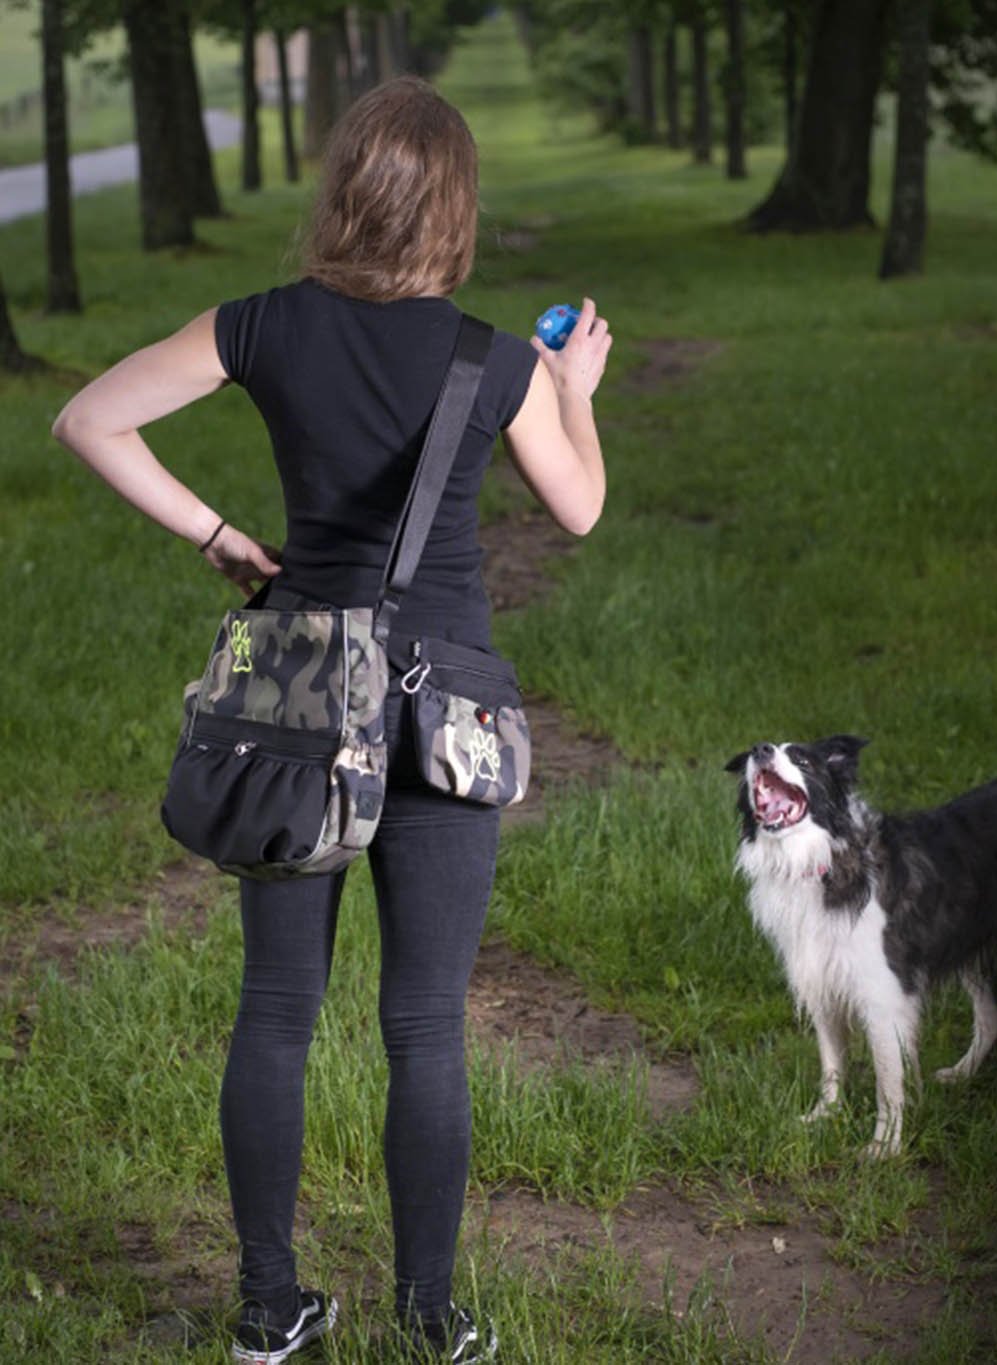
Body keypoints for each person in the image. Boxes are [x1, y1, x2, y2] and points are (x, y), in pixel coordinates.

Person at [53, 76, 611, 1364]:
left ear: (344, 191)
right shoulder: (495, 358)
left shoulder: (265, 326)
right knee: (422, 1023)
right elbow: (579, 508)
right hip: (443, 714)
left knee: (275, 1009)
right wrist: (575, 386)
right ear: (457, 208)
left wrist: (216, 534)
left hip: (299, 703)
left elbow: (93, 418)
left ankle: (266, 1309)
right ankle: (432, 1313)